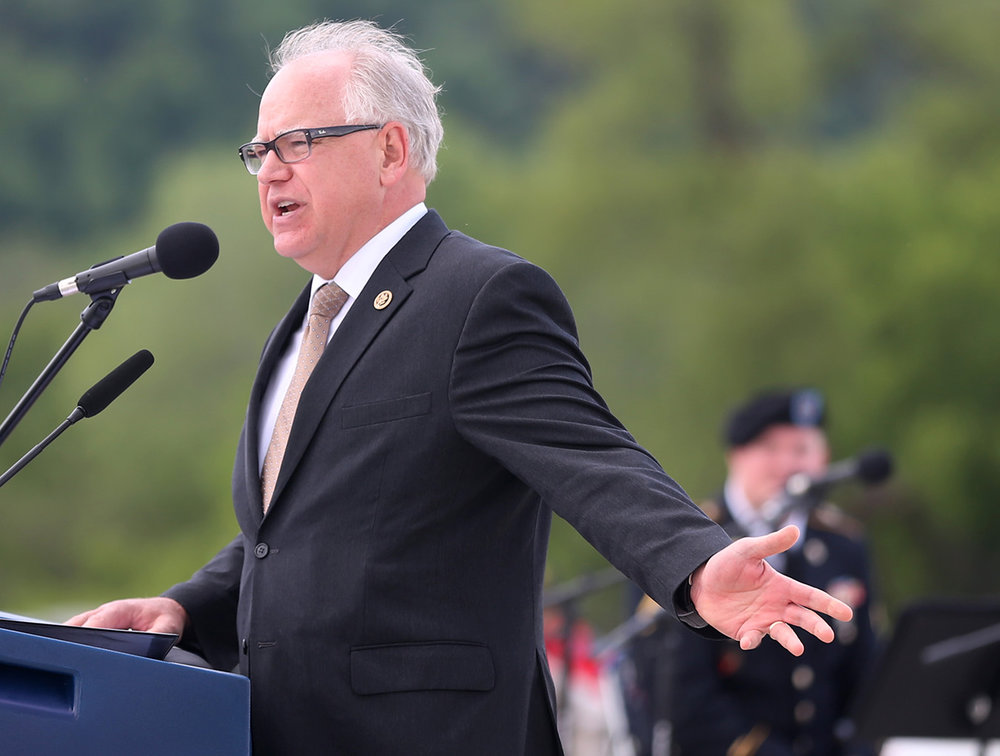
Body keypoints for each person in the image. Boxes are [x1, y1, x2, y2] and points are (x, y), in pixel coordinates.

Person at [67, 21, 852, 755]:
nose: (269, 169)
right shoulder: (307, 320)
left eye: (298, 142)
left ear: (390, 149)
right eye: (259, 149)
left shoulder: (478, 295)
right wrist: (185, 608)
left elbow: (593, 458)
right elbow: (300, 528)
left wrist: (695, 565)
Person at [670, 388, 879, 756]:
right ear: (735, 455)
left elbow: (866, 676)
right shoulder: (687, 542)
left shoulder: (844, 546)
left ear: (824, 459)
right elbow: (686, 698)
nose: (787, 465)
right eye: (769, 448)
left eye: (801, 450)